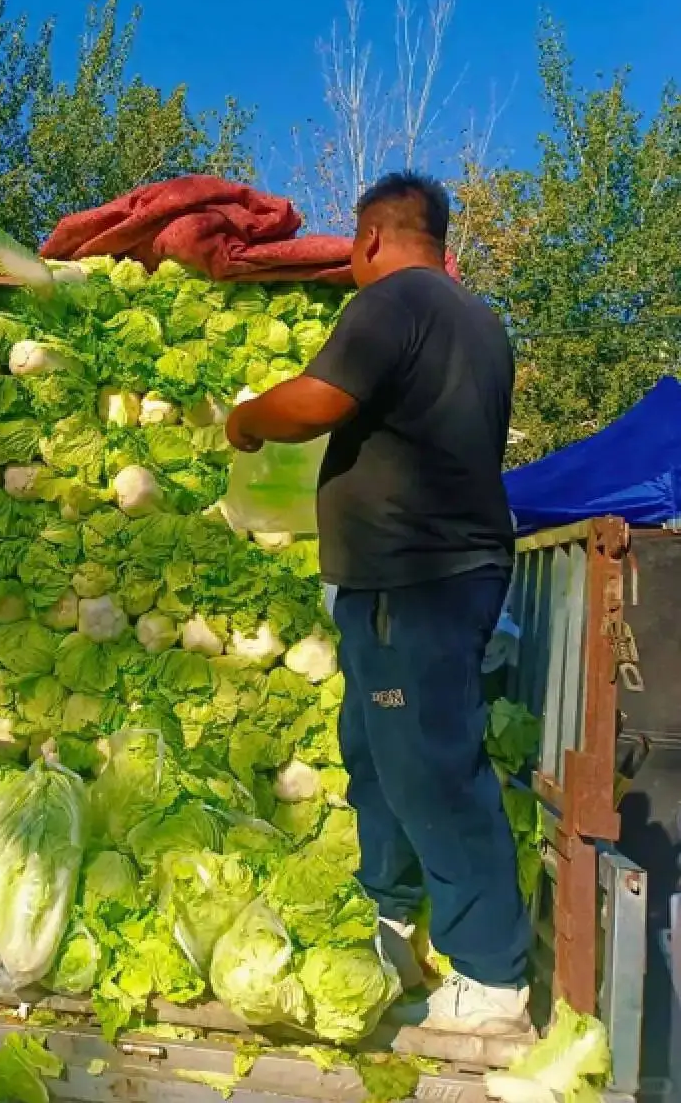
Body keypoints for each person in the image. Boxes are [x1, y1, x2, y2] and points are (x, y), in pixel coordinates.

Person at [226, 172, 529, 1037]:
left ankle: (492, 974)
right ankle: (392, 916)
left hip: (415, 578)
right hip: (427, 574)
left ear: (368, 239)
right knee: (377, 748)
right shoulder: (480, 323)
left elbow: (316, 405)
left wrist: (247, 419)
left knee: (432, 761)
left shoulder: (393, 302)